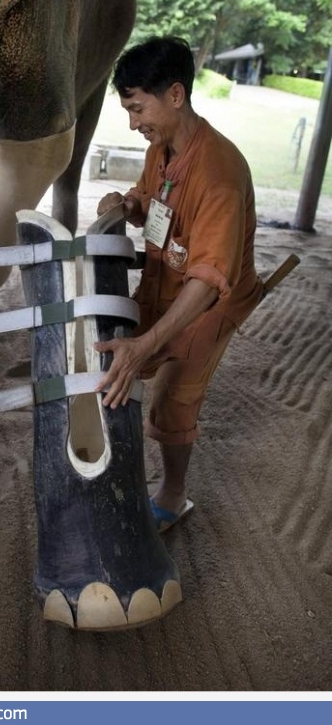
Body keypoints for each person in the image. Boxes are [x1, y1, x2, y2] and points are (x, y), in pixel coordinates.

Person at [95, 36, 263, 533]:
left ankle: (173, 493)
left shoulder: (219, 175)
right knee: (118, 351)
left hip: (212, 299)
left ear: (174, 95)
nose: (132, 122)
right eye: (126, 109)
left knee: (171, 392)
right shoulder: (161, 149)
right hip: (168, 278)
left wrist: (148, 342)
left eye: (137, 107)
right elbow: (150, 202)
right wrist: (126, 206)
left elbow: (209, 283)